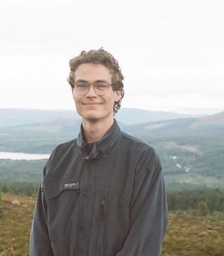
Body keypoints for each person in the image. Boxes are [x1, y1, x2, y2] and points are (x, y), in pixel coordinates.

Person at [29, 48, 168, 256]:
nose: (91, 93)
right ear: (74, 92)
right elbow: (40, 241)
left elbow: (144, 244)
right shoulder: (58, 159)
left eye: (101, 85)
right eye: (82, 85)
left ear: (117, 92)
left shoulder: (142, 160)